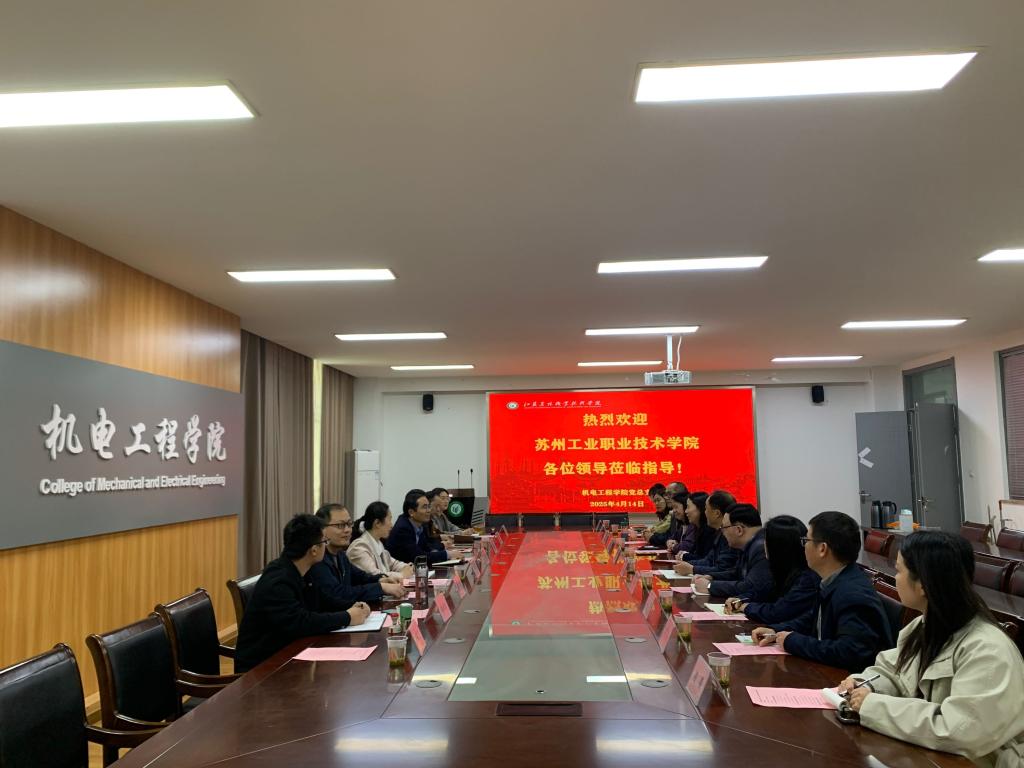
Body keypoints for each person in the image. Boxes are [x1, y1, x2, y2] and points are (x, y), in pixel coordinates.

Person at [837, 531, 1024, 767]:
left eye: (899, 570)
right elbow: (895, 671)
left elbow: (959, 731)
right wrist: (866, 684)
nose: (895, 577)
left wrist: (873, 706)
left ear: (923, 584)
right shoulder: (923, 625)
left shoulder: (988, 651)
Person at [751, 510, 893, 671]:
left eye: (806, 541)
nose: (803, 546)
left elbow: (850, 651)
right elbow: (813, 620)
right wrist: (775, 632)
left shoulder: (853, 593)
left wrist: (793, 641)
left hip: (847, 680)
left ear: (822, 549)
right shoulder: (834, 579)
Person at [234, 514, 371, 673]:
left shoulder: (302, 569)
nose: (326, 546)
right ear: (314, 550)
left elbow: (322, 600)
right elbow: (300, 622)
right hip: (261, 669)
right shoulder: (278, 580)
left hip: (289, 655)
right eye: (324, 542)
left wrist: (353, 606)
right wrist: (347, 617)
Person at [725, 514, 820, 624]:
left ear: (776, 546)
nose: (763, 544)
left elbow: (777, 613)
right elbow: (764, 592)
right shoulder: (783, 568)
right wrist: (741, 600)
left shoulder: (807, 579)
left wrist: (746, 607)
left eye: (766, 540)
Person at [308, 503, 407, 606]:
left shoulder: (340, 554)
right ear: (322, 529)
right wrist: (381, 587)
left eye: (349, 524)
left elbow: (361, 577)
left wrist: (381, 579)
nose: (347, 530)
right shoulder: (317, 558)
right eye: (340, 525)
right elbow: (337, 593)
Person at [693, 503, 774, 601]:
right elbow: (737, 573)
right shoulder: (750, 544)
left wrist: (710, 586)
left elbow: (751, 587)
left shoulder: (762, 548)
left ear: (739, 530)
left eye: (724, 528)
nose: (723, 533)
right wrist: (711, 577)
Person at [344, 501, 414, 580]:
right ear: (377, 523)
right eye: (389, 520)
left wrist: (407, 567)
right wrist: (402, 575)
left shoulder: (378, 543)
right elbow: (374, 575)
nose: (392, 525)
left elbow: (394, 564)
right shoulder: (359, 547)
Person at [674, 490, 738, 575]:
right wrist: (686, 565)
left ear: (717, 513)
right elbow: (708, 560)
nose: (705, 513)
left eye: (706, 509)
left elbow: (723, 569)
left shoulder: (730, 536)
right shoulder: (719, 532)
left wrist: (692, 569)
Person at [386, 489, 451, 565]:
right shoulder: (403, 528)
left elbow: (426, 548)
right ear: (411, 512)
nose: (429, 511)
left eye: (429, 506)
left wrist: (441, 549)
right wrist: (447, 554)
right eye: (424, 507)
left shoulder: (420, 524)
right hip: (401, 569)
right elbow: (418, 557)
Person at [668, 491, 713, 559]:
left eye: (688, 507)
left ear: (700, 508)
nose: (686, 511)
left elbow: (704, 559)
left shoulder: (709, 530)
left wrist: (682, 554)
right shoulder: (696, 527)